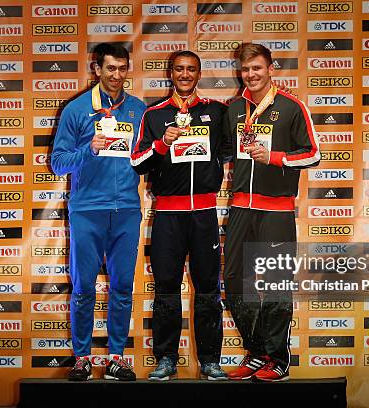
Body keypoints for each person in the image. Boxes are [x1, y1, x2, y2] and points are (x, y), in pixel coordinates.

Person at [131, 51, 231, 381]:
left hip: (204, 214)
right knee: (166, 289)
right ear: (170, 73)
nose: (185, 74)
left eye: (191, 69)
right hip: (168, 216)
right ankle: (165, 359)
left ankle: (210, 360)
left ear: (199, 73)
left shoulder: (217, 112)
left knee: (207, 290)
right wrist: (161, 144)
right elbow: (138, 161)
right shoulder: (155, 114)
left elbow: (231, 152)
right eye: (179, 69)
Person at [223, 43, 320, 381]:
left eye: (257, 68)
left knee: (277, 284)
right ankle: (256, 351)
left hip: (276, 211)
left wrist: (275, 157)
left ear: (270, 68)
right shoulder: (233, 108)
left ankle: (278, 358)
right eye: (245, 69)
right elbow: (219, 152)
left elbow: (313, 155)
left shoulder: (293, 107)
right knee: (237, 283)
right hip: (239, 209)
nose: (250, 75)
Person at [51, 43, 146, 381]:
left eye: (122, 68)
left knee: (122, 286)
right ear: (97, 69)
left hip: (126, 211)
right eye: (110, 68)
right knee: (83, 289)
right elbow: (58, 163)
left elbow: (147, 157)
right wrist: (88, 149)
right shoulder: (76, 110)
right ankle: (82, 357)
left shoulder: (138, 108)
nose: (117, 75)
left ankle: (117, 356)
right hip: (87, 210)